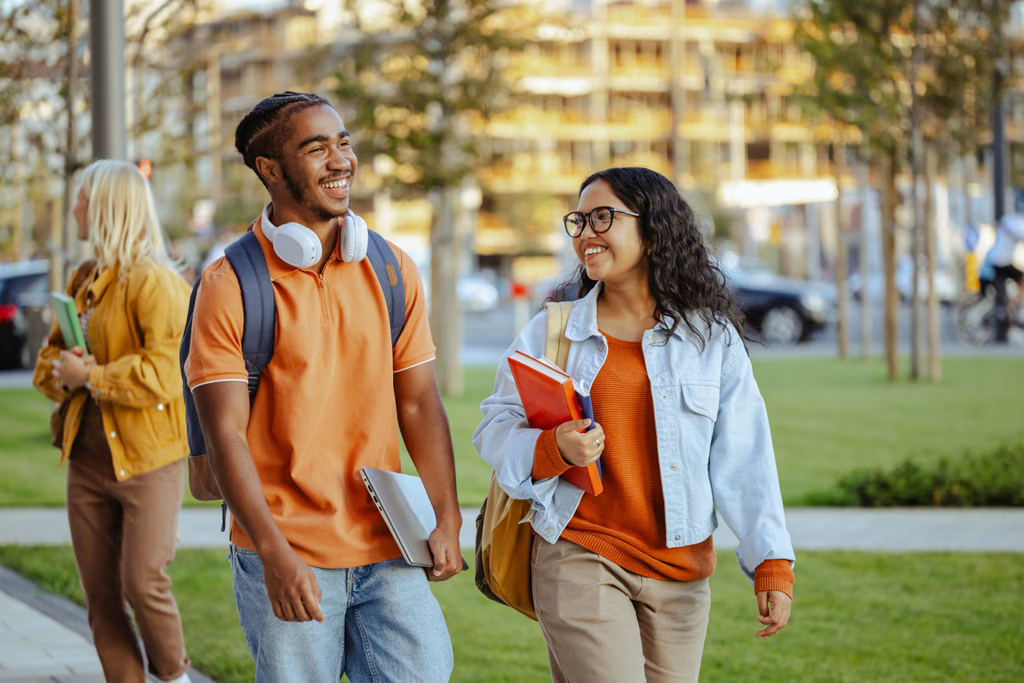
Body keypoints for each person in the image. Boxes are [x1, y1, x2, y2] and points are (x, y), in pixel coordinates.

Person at [474, 167, 795, 682]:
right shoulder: (553, 332)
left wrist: (771, 561)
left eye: (603, 217)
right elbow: (494, 427)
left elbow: (745, 454)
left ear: (654, 228)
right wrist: (551, 447)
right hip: (581, 552)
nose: (585, 233)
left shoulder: (710, 339)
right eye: (578, 221)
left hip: (682, 574)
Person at [184, 91, 461, 682]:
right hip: (286, 549)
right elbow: (226, 432)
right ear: (271, 170)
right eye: (317, 148)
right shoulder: (230, 283)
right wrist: (272, 552)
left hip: (389, 542)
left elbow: (418, 401)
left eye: (343, 142)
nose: (341, 160)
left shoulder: (389, 268)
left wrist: (447, 518)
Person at [33, 159, 193, 683]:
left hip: (149, 461)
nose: (74, 207)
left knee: (142, 582)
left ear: (104, 207)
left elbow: (167, 373)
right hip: (88, 460)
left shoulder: (155, 282)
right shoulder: (84, 280)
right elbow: (47, 363)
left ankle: (174, 676)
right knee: (102, 597)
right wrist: (65, 374)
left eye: (81, 198)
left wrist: (91, 376)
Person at [988, 191, 1024, 341]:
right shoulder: (1018, 222)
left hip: (995, 259)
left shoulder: (1008, 218)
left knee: (1005, 289)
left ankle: (1007, 307)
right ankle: (1013, 310)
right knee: (1022, 279)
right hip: (1001, 261)